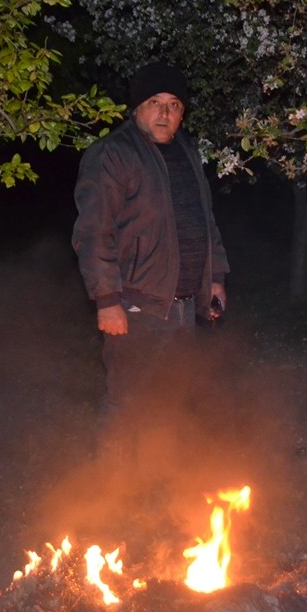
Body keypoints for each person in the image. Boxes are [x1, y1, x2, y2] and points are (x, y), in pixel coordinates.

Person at [72, 61, 230, 424]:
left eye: (174, 105)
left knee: (173, 397)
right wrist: (107, 300)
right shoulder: (114, 153)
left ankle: (162, 461)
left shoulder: (187, 151)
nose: (164, 113)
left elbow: (205, 218)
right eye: (155, 103)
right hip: (137, 304)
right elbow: (94, 231)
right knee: (127, 403)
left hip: (184, 303)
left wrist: (215, 277)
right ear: (137, 108)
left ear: (182, 114)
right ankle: (113, 464)